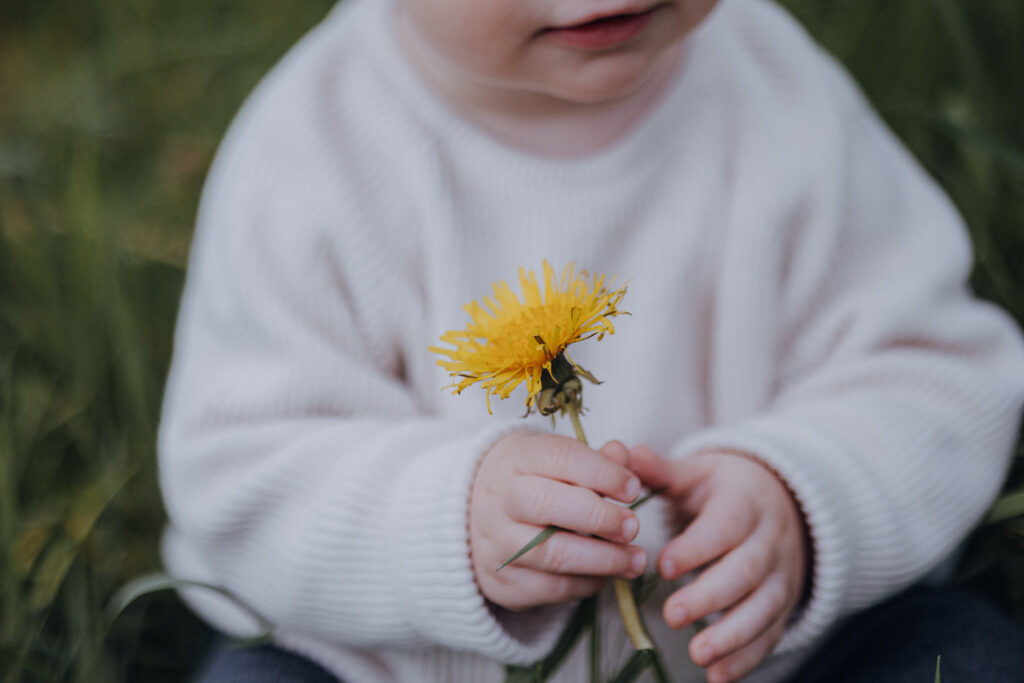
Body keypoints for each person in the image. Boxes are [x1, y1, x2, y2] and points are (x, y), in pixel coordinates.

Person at [157, 0, 1024, 681]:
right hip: (391, 666)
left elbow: (937, 369)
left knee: (964, 653)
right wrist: (447, 521)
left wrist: (801, 499)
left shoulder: (778, 93)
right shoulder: (318, 146)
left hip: (774, 663)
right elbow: (240, 465)